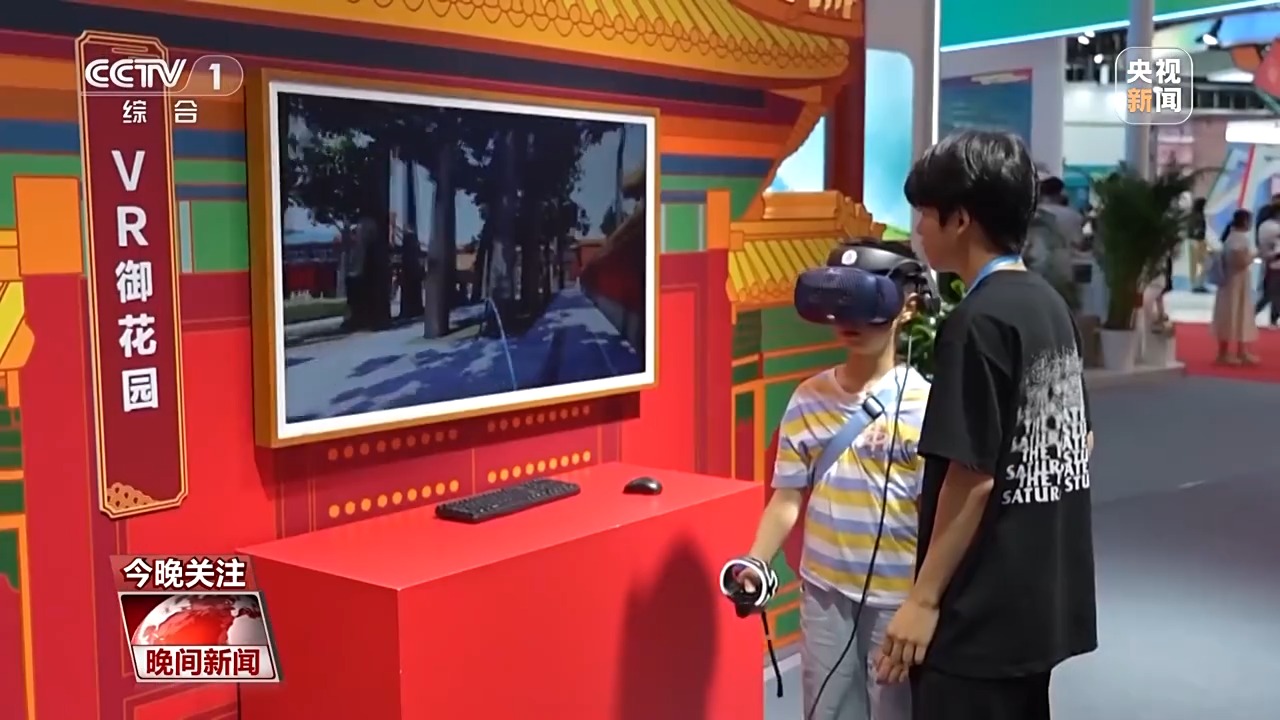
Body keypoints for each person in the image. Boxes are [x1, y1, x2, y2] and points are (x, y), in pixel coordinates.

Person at [874, 130, 1097, 720]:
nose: (918, 229)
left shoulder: (976, 322)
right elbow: (1081, 439)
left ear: (960, 219)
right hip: (1037, 599)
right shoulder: (1049, 306)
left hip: (978, 614)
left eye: (925, 214)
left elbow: (971, 478)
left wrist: (923, 600)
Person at [739, 239, 931, 720]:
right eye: (841, 302)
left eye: (867, 304)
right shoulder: (808, 397)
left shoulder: (926, 404)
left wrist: (926, 602)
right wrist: (756, 560)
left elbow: (937, 515)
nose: (851, 320)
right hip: (823, 593)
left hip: (896, 600)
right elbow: (787, 497)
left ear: (907, 307)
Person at [1213, 209, 1259, 363]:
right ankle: (1226, 353)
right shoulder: (1239, 239)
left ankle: (1238, 351)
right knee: (1233, 314)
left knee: (1235, 314)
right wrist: (1253, 255)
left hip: (1234, 282)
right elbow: (1240, 260)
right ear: (1245, 222)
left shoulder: (1231, 237)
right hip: (1235, 281)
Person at [1256, 205, 1280, 329]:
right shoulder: (1275, 228)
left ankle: (1254, 314)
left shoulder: (1263, 226)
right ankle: (1273, 318)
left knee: (1269, 293)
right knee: (1272, 294)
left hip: (1269, 262)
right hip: (1276, 263)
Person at [1188, 198, 1209, 292]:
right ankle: (1198, 284)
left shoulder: (1192, 216)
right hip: (1198, 241)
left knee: (1195, 263)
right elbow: (1197, 230)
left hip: (1194, 241)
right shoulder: (1199, 217)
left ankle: (1195, 284)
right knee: (1201, 263)